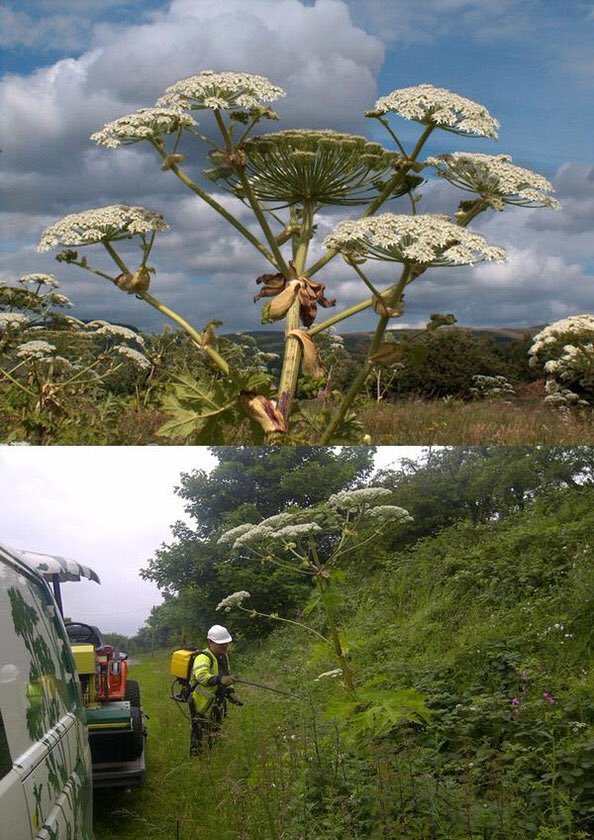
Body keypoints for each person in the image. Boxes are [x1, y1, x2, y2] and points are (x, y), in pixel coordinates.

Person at [188, 624, 243, 756]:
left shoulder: (223, 656)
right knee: (199, 735)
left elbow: (226, 675)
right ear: (210, 642)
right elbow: (202, 677)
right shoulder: (203, 657)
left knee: (216, 732)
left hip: (216, 702)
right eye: (220, 643)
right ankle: (197, 761)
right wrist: (220, 680)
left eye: (226, 643)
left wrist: (231, 693)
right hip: (201, 704)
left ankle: (213, 757)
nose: (224, 646)